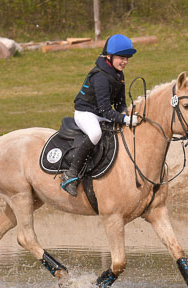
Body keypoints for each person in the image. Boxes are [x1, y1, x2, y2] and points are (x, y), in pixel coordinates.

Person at [60, 34, 139, 197]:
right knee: (96, 134)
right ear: (109, 56)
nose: (125, 62)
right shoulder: (101, 76)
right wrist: (124, 119)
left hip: (101, 113)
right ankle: (71, 173)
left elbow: (119, 105)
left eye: (127, 58)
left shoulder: (118, 74)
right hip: (86, 113)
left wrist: (128, 113)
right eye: (121, 58)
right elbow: (106, 110)